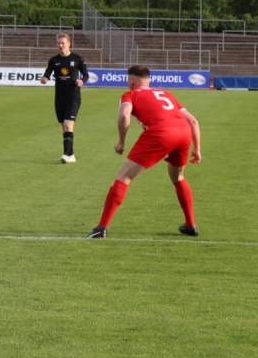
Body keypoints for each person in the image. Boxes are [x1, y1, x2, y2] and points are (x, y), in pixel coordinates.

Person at [86, 65, 201, 239]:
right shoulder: (167, 94)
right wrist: (197, 148)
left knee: (124, 177)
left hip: (161, 132)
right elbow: (193, 121)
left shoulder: (130, 94)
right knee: (178, 177)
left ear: (132, 81)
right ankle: (191, 224)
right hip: (184, 133)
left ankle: (101, 228)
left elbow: (124, 115)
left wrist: (121, 141)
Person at [41, 33, 90, 163]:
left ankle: (65, 155)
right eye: (58, 43)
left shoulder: (77, 59)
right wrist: (44, 79)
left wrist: (82, 81)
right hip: (59, 97)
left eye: (63, 43)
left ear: (69, 44)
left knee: (68, 125)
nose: (60, 45)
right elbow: (47, 74)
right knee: (64, 127)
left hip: (73, 97)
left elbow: (86, 75)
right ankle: (71, 155)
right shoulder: (53, 60)